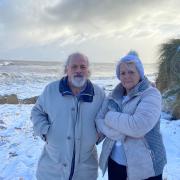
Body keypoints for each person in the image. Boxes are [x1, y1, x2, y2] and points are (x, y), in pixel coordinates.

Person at [31, 52, 105, 180]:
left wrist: (98, 134)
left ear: (88, 71)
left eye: (83, 67)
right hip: (51, 170)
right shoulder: (51, 90)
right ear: (67, 69)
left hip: (85, 171)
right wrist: (45, 131)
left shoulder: (99, 94)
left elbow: (106, 118)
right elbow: (37, 112)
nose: (78, 71)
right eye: (74, 67)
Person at [96, 51, 167, 180]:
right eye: (122, 73)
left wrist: (109, 117)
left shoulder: (151, 94)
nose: (126, 76)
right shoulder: (114, 95)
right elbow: (99, 120)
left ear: (140, 73)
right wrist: (120, 133)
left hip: (145, 167)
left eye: (131, 72)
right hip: (115, 163)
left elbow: (137, 126)